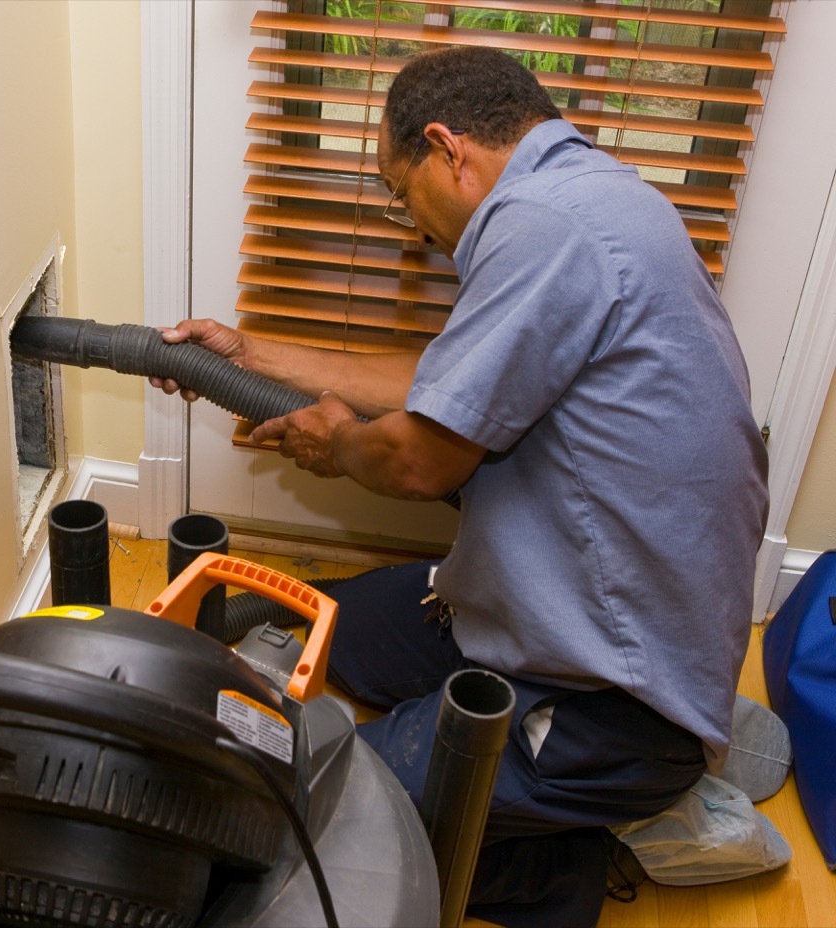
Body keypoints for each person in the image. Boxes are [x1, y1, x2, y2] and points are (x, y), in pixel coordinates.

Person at [153, 46, 769, 927]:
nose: (410, 225)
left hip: (613, 702)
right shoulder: (594, 196)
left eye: (402, 194)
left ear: (448, 147)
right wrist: (248, 354)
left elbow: (417, 459)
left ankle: (560, 869)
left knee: (304, 823)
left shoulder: (544, 227)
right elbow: (447, 380)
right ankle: (517, 805)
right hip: (538, 602)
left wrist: (339, 444)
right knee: (334, 631)